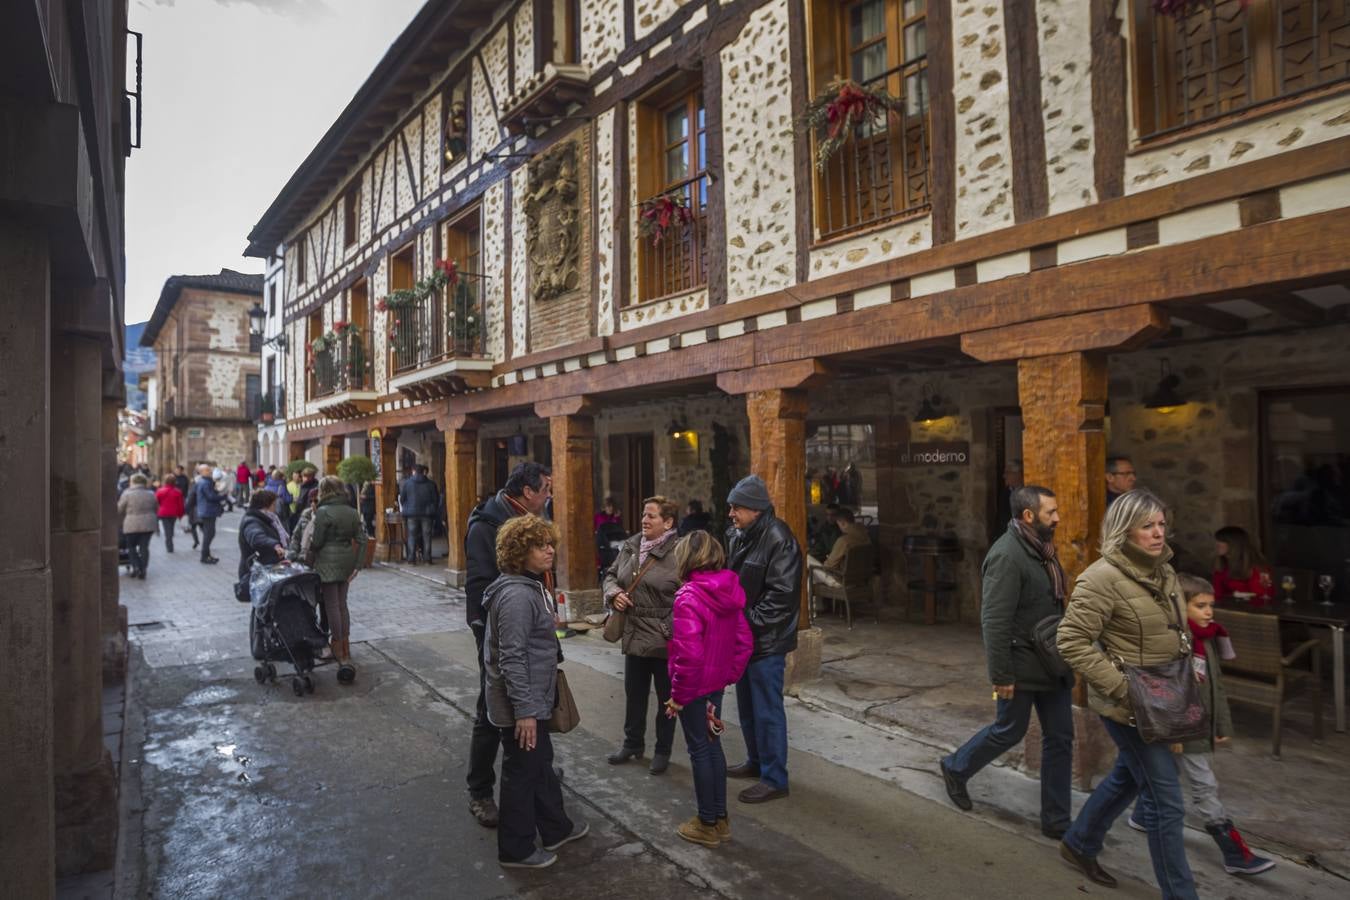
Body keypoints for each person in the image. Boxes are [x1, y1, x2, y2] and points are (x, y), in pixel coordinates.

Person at [1057, 489, 1199, 898]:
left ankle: (1080, 842)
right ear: (1125, 531)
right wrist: (1126, 689)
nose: (1158, 534)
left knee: (1129, 777)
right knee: (1167, 802)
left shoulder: (1164, 569)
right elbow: (1071, 640)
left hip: (1166, 695)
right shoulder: (1101, 578)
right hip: (1131, 706)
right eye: (1147, 527)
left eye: (1160, 524)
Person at [940, 486, 1075, 838]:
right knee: (1009, 730)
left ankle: (1057, 821)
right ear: (1028, 516)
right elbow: (995, 620)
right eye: (1051, 513)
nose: (1058, 518)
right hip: (1021, 664)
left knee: (1061, 737)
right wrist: (1001, 675)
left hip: (1052, 662)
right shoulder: (1007, 555)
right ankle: (956, 767)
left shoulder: (1042, 551)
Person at [1125, 574, 1275, 877]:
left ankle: (1142, 814)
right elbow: (1166, 689)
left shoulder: (1207, 640)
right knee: (1204, 785)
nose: (1209, 612)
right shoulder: (1174, 644)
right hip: (1181, 727)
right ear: (1181, 606)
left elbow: (1215, 687)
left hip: (1197, 725)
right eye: (1201, 606)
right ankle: (1234, 853)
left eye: (1211, 606)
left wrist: (1222, 725)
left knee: (1151, 774)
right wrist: (1176, 731)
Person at [483, 514, 587, 869]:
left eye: (550, 543)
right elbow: (511, 659)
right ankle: (515, 849)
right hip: (521, 704)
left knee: (540, 763)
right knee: (521, 772)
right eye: (540, 545)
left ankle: (556, 827)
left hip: (535, 698)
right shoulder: (515, 595)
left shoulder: (531, 586)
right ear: (519, 551)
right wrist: (525, 712)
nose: (550, 550)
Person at [464, 461, 553, 828]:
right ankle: (481, 790)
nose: (549, 494)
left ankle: (537, 771)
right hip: (502, 629)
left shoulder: (530, 522)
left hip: (531, 624)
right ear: (528, 492)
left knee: (535, 699)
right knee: (493, 707)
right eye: (545, 488)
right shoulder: (487, 524)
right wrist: (490, 637)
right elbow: (481, 585)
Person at [664, 530, 753, 848]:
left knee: (700, 750)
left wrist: (678, 697)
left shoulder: (689, 597)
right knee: (712, 747)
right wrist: (725, 676)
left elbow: (689, 655)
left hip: (695, 688)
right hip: (712, 685)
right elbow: (744, 642)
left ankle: (707, 822)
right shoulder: (730, 590)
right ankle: (720, 819)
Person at [724, 475, 802, 804]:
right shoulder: (737, 535)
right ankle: (756, 762)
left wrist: (744, 624)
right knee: (747, 707)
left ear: (756, 510)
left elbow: (781, 598)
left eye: (737, 507)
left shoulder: (779, 538)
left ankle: (775, 777)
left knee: (768, 711)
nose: (731, 513)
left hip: (767, 641)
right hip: (744, 638)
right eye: (730, 506)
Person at [603, 496, 682, 775]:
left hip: (663, 639)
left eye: (651, 516)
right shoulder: (631, 545)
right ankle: (633, 743)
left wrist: (667, 627)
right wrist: (614, 595)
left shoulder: (680, 552)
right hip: (634, 632)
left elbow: (688, 597)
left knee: (666, 699)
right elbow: (611, 576)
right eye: (643, 515)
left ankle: (662, 750)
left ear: (668, 522)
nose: (644, 521)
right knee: (634, 694)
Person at [309, 476, 364, 678]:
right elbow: (362, 539)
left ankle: (338, 646)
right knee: (342, 604)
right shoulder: (351, 511)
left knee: (331, 605)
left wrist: (309, 553)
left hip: (327, 562)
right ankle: (345, 647)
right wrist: (357, 565)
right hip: (346, 560)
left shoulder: (323, 511)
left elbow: (318, 541)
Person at [806, 506, 870, 590]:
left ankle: (809, 603)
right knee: (812, 578)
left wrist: (828, 559)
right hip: (861, 579)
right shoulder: (866, 536)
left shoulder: (844, 541)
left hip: (842, 581)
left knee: (806, 558)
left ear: (842, 523)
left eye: (838, 524)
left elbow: (829, 566)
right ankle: (816, 603)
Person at [1211, 526, 1274, 606]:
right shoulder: (1221, 564)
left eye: (1222, 541)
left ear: (1235, 544)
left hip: (1252, 611)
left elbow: (1262, 596)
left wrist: (1234, 595)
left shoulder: (1255, 566)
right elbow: (1217, 594)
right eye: (1217, 540)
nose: (1217, 544)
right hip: (1228, 609)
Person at [238, 490, 289, 578]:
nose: (275, 508)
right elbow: (257, 537)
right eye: (273, 505)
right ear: (265, 506)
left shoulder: (266, 519)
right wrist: (275, 545)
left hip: (265, 569)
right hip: (254, 573)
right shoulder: (251, 521)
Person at [117, 474, 158, 579]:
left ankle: (136, 567)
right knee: (144, 547)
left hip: (131, 524)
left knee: (131, 547)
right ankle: (143, 568)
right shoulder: (151, 493)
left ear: (133, 482)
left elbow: (119, 509)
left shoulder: (127, 494)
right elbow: (156, 507)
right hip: (148, 524)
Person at [399, 463, 440, 564]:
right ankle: (427, 559)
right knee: (427, 537)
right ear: (423, 472)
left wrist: (407, 507)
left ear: (414, 471)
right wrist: (432, 508)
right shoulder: (431, 484)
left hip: (411, 514)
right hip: (427, 514)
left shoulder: (407, 483)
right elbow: (436, 499)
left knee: (411, 536)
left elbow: (402, 498)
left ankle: (411, 559)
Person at [193, 464, 229, 564]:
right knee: (209, 534)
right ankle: (204, 556)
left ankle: (207, 555)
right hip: (207, 511)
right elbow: (210, 496)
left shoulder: (205, 482)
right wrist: (223, 496)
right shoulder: (204, 482)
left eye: (210, 470)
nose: (210, 472)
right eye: (208, 470)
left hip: (207, 510)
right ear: (202, 472)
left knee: (209, 534)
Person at [155, 472, 185, 553]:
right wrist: (180, 514)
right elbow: (180, 504)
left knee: (167, 528)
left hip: (163, 512)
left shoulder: (160, 491)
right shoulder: (178, 492)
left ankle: (169, 543)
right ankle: (170, 540)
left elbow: (156, 502)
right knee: (170, 527)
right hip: (173, 513)